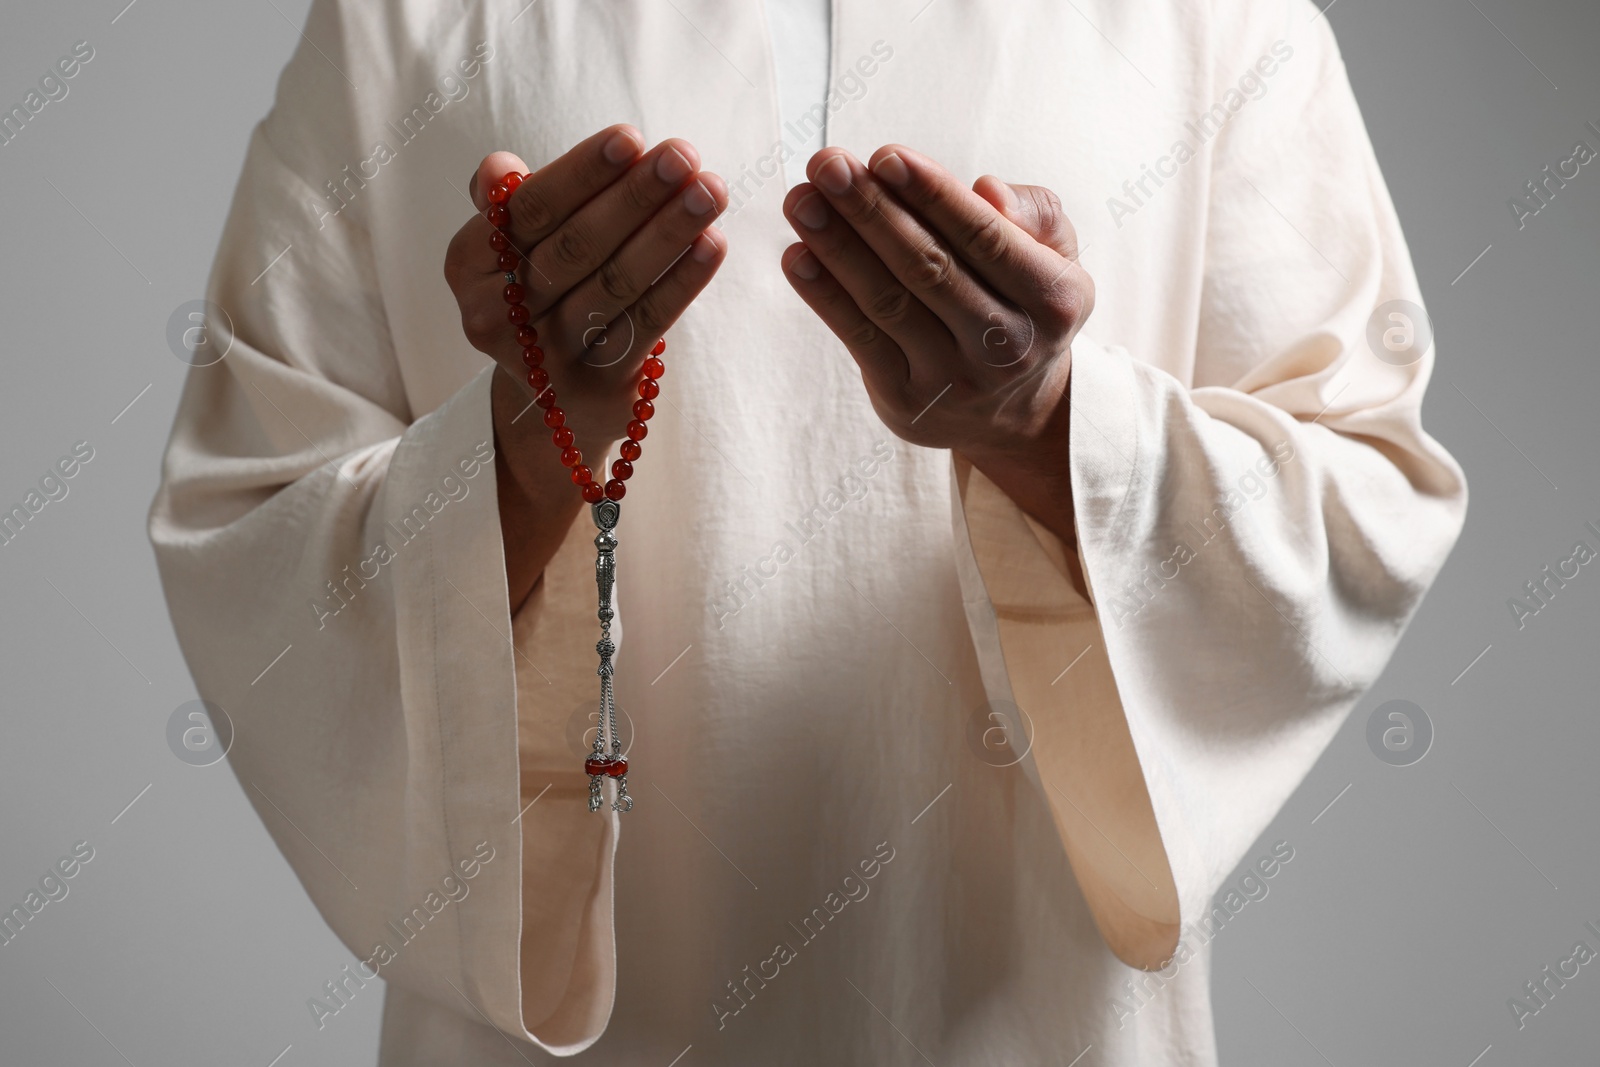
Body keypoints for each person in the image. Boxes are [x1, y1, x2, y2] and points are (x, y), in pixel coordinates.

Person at [148, 0, 1466, 1062]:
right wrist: (528, 444)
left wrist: (1057, 425)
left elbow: (1359, 495)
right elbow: (253, 522)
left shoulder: (1215, 22)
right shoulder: (401, 21)